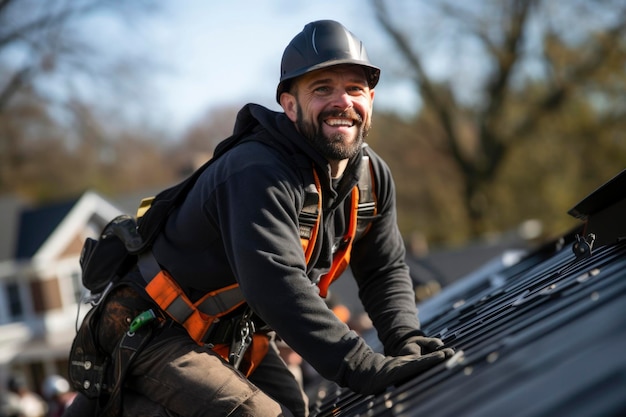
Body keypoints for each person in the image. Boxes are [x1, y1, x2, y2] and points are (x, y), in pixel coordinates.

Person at [65, 19, 454, 417]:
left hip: (231, 333)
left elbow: (384, 269)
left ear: (371, 99)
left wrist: (405, 339)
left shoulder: (371, 179)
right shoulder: (257, 171)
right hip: (152, 331)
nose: (343, 102)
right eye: (322, 89)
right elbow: (276, 283)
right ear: (289, 105)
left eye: (355, 89)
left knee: (295, 410)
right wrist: (363, 365)